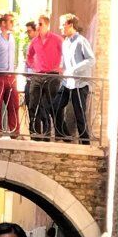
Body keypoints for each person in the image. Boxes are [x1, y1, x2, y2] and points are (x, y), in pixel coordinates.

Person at [55, 15, 95, 145]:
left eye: (62, 24)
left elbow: (91, 60)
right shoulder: (65, 43)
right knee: (55, 106)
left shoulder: (81, 41)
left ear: (70, 25)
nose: (60, 27)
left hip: (80, 84)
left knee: (79, 115)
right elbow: (65, 63)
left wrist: (74, 69)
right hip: (67, 83)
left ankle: (86, 144)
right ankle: (64, 134)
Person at [25, 13, 63, 139]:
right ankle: (35, 134)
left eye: (40, 24)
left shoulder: (57, 39)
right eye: (37, 24)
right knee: (33, 105)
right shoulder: (34, 41)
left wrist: (61, 67)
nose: (38, 26)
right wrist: (33, 66)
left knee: (51, 105)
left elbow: (66, 53)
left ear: (47, 25)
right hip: (38, 76)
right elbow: (29, 56)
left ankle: (56, 134)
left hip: (52, 75)